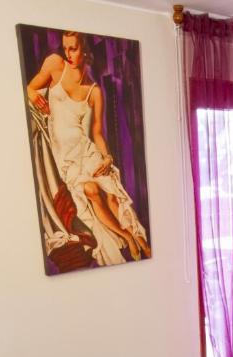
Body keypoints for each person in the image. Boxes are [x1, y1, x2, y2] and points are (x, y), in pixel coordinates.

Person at [26, 31, 150, 265]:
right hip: (67, 158)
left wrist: (107, 157)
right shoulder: (55, 65)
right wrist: (32, 93)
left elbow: (96, 133)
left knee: (112, 194)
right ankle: (126, 237)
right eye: (66, 48)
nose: (68, 54)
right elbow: (30, 88)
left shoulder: (94, 91)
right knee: (92, 191)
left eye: (73, 48)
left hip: (87, 151)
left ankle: (138, 238)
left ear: (85, 51)